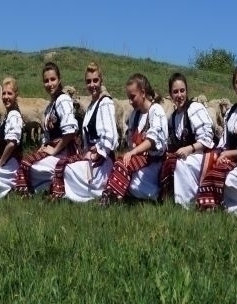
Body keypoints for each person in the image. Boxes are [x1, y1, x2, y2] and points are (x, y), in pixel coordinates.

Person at [196, 64, 237, 213]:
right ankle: (212, 205)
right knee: (208, 167)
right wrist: (218, 154)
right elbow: (223, 142)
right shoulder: (232, 112)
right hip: (233, 161)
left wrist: (227, 154)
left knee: (229, 179)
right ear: (234, 86)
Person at [50, 62, 119, 202]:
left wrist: (97, 152)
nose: (92, 85)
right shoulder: (92, 105)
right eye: (88, 81)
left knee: (69, 169)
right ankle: (73, 193)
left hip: (103, 160)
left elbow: (111, 136)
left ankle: (94, 191)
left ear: (101, 80)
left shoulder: (105, 103)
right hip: (90, 156)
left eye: (95, 80)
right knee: (64, 166)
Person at [100, 73, 168, 205]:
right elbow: (132, 140)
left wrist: (133, 152)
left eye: (132, 97)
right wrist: (131, 153)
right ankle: (114, 197)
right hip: (139, 160)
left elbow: (152, 140)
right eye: (128, 98)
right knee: (120, 166)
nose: (130, 102)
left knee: (124, 170)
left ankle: (154, 195)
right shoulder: (135, 115)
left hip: (154, 161)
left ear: (143, 92)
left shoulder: (156, 111)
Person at [14, 62, 79, 195]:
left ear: (59, 80)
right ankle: (43, 187)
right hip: (55, 150)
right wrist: (43, 147)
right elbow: (48, 136)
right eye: (46, 81)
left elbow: (70, 131)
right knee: (27, 162)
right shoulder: (50, 107)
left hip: (65, 151)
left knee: (29, 165)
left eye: (52, 79)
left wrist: (55, 149)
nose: (50, 84)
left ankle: (54, 185)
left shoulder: (63, 100)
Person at [159, 72, 214, 207]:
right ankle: (168, 197)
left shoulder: (194, 108)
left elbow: (207, 137)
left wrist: (190, 149)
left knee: (180, 163)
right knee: (168, 161)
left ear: (187, 91)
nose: (179, 95)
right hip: (187, 156)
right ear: (171, 95)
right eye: (175, 92)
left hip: (202, 154)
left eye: (182, 91)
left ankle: (186, 203)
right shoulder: (173, 118)